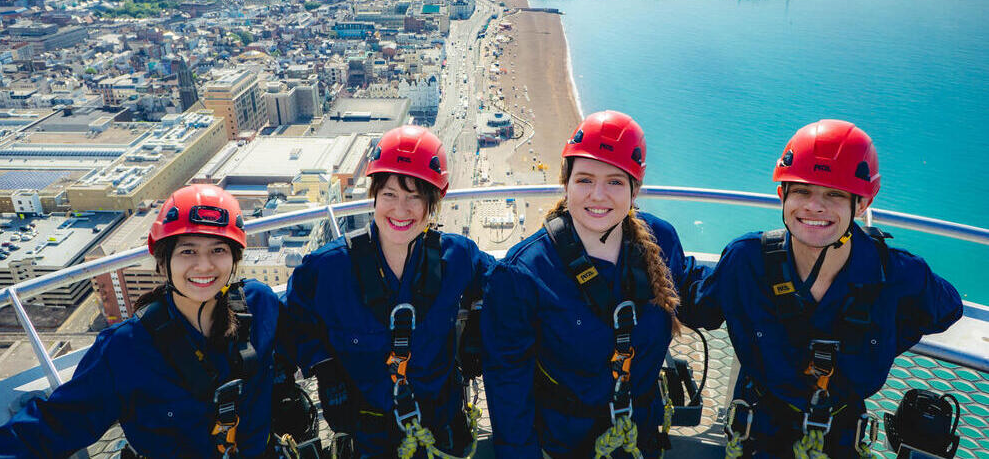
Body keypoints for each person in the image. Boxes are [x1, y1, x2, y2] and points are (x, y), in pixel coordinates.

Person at [683, 119, 963, 457]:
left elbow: (947, 309)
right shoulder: (746, 261)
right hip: (757, 439)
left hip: (840, 441)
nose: (814, 206)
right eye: (802, 190)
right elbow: (699, 306)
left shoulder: (899, 274)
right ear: (781, 195)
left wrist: (886, 333)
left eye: (833, 194)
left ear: (861, 205)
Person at [0, 184, 294, 458]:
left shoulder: (259, 304)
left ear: (235, 258)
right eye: (187, 251)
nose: (204, 265)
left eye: (218, 249)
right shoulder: (126, 350)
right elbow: (57, 424)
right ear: (163, 261)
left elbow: (307, 326)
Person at [481, 110, 691, 459]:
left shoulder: (661, 242)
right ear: (566, 183)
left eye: (614, 182)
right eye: (584, 180)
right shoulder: (525, 272)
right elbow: (507, 381)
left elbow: (703, 294)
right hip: (564, 444)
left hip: (641, 437)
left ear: (634, 190)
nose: (597, 195)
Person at [284, 125, 494, 458]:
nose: (401, 210)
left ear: (433, 203)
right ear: (374, 197)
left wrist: (479, 323)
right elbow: (293, 318)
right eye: (390, 195)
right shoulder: (328, 269)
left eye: (415, 196)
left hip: (440, 428)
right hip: (368, 435)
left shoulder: (458, 258)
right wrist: (323, 365)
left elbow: (504, 283)